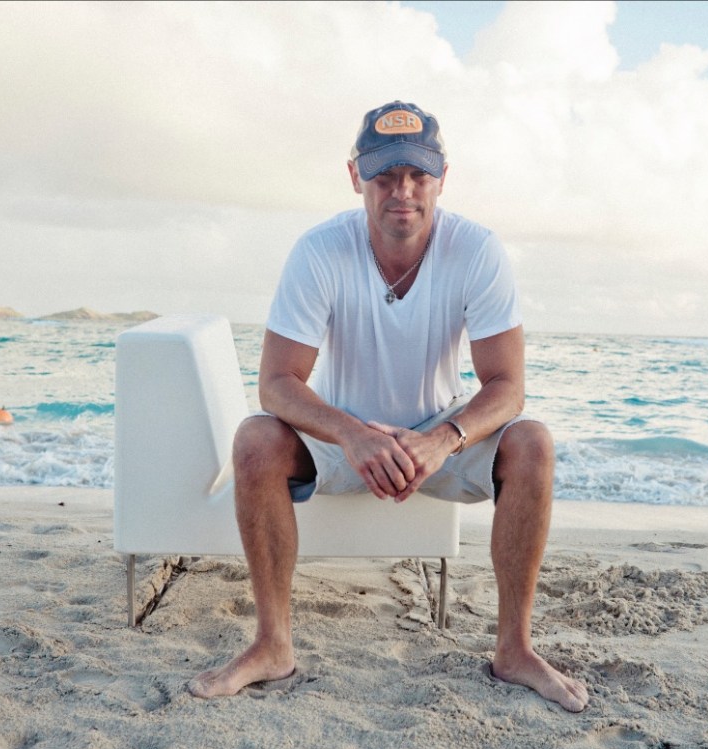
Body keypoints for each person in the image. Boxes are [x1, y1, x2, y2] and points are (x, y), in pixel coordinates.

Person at [188, 101, 589, 713]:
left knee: (532, 441)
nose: (402, 191)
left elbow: (508, 386)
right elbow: (277, 383)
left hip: (440, 434)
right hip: (340, 437)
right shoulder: (320, 250)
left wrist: (443, 439)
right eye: (384, 175)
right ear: (356, 176)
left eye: (418, 174)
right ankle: (272, 645)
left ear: (442, 177)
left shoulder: (476, 249)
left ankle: (514, 650)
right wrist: (352, 434)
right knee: (255, 439)